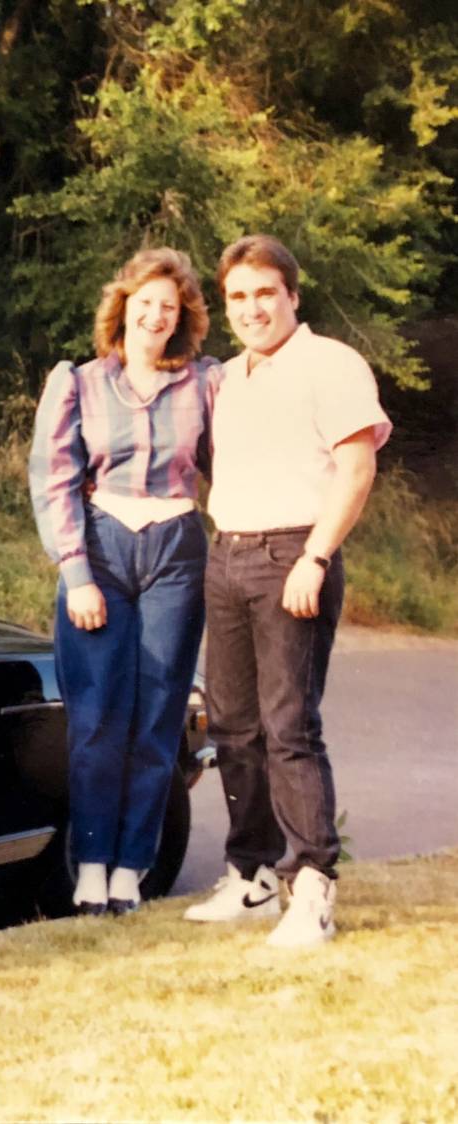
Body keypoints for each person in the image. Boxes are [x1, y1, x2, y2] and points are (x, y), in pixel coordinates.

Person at [183, 234, 390, 947]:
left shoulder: (330, 364)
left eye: (265, 293)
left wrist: (316, 556)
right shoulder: (229, 378)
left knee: (288, 727)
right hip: (229, 552)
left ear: (293, 296)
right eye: (237, 297)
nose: (252, 308)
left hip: (294, 556)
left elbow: (356, 469)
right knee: (233, 726)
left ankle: (312, 887)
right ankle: (253, 878)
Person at [29, 247, 217, 916]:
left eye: (170, 307)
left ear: (183, 317)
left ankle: (132, 868)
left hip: (176, 552)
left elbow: (234, 462)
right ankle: (90, 867)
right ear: (124, 306)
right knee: (97, 718)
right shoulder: (79, 383)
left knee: (157, 717)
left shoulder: (205, 383)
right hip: (102, 551)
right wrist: (76, 574)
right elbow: (51, 480)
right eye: (146, 302)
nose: (156, 315)